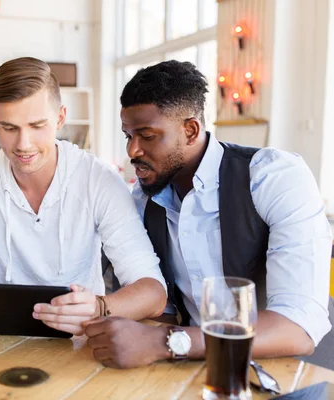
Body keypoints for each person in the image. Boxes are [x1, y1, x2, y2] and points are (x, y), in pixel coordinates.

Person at [84, 60, 332, 368]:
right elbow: (163, 308)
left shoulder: (274, 177)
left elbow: (297, 327)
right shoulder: (142, 201)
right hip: (188, 367)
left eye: (146, 135)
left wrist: (167, 342)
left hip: (274, 369)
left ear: (190, 130)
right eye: (128, 135)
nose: (132, 150)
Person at [0, 57, 167, 335]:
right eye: (9, 128)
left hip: (83, 339)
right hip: (3, 335)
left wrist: (100, 307)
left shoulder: (99, 180)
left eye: (37, 126)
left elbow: (153, 293)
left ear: (60, 118)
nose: (23, 144)